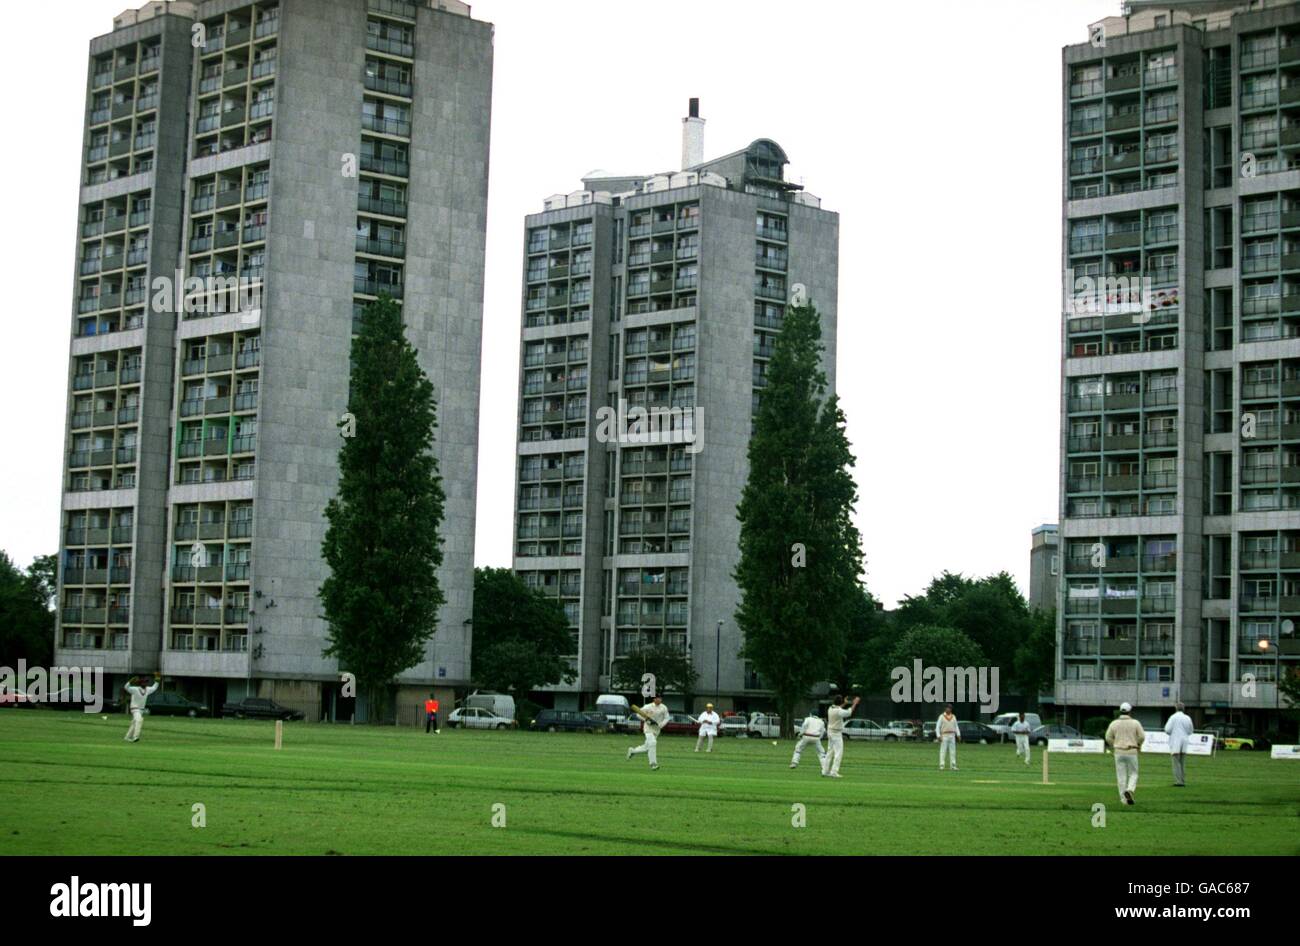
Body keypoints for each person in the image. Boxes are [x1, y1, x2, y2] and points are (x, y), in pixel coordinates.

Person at [1104, 701, 1146, 805]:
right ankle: (1130, 790)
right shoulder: (1135, 723)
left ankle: (1124, 800)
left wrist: (1115, 744)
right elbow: (1142, 736)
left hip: (1118, 752)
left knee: (1121, 776)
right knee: (1134, 773)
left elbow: (1108, 737)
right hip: (1131, 750)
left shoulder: (1114, 723)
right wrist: (1138, 744)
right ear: (1130, 712)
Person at [821, 693, 860, 778]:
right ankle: (834, 772)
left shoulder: (830, 708)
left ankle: (825, 771)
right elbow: (849, 712)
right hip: (836, 733)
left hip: (830, 732)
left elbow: (839, 709)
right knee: (838, 753)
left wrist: (845, 703)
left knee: (829, 752)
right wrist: (855, 703)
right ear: (840, 702)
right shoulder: (839, 711)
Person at [627, 694, 670, 769]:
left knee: (648, 747)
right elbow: (638, 714)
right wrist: (646, 720)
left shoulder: (664, 707)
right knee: (653, 743)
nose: (659, 700)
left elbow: (667, 718)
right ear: (654, 699)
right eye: (657, 698)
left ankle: (632, 751)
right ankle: (653, 764)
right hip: (648, 728)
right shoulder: (648, 706)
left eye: (660, 698)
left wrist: (661, 725)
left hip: (657, 729)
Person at [123, 673, 160, 743]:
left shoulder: (148, 690)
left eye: (146, 682)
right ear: (140, 683)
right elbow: (126, 687)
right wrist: (130, 681)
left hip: (141, 710)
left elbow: (154, 688)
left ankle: (127, 737)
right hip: (135, 708)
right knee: (139, 720)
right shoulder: (135, 689)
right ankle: (135, 737)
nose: (145, 683)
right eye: (144, 682)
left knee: (134, 723)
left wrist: (157, 680)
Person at [1164, 701, 1194, 787]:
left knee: (1176, 762)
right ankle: (1183, 780)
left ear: (1176, 708)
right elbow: (1190, 731)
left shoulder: (1173, 717)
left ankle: (1178, 781)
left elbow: (1167, 729)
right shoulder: (1187, 718)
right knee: (1182, 762)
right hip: (1184, 741)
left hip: (1176, 741)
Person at [937, 704, 961, 771]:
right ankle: (942, 765)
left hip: (952, 735)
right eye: (947, 708)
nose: (948, 709)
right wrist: (938, 735)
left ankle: (953, 766)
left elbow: (956, 726)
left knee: (953, 751)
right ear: (945, 709)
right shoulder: (941, 716)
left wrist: (958, 734)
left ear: (951, 709)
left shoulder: (953, 716)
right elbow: (937, 727)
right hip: (944, 735)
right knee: (943, 751)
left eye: (950, 708)